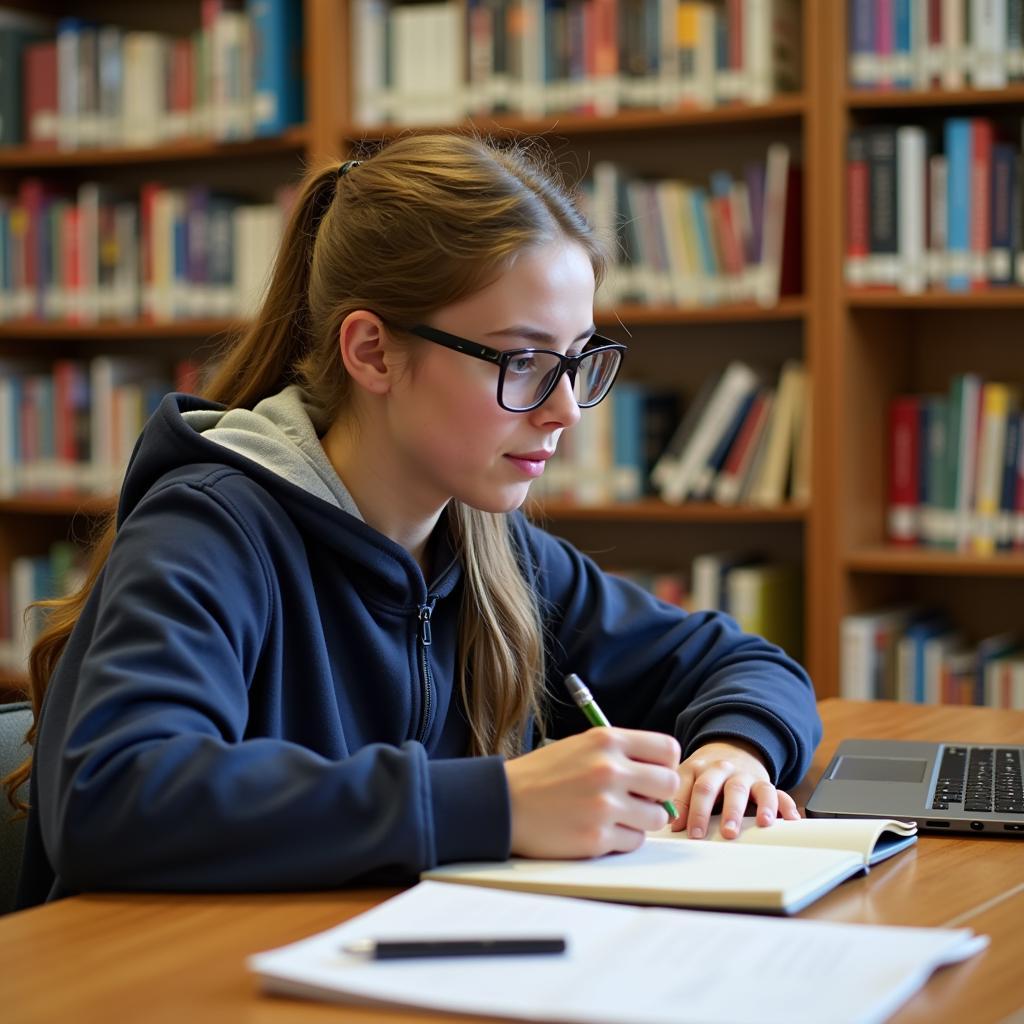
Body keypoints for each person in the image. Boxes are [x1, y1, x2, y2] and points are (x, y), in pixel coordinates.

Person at [6, 133, 821, 907]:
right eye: (524, 361)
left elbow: (740, 662)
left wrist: (734, 751)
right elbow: (113, 797)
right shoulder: (210, 532)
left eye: (576, 361)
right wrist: (497, 804)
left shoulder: (484, 544)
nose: (566, 411)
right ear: (371, 352)